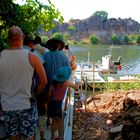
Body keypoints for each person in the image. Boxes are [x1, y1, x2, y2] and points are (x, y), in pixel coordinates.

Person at [0, 26, 47, 140]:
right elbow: (43, 81)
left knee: (13, 136)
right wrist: (34, 93)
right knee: (28, 137)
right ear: (22, 38)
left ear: (8, 39)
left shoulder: (0, 56)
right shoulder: (32, 57)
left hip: (7, 105)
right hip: (27, 105)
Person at [48, 66, 78, 140]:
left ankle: (52, 136)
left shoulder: (52, 85)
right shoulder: (66, 83)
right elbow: (75, 87)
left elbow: (49, 95)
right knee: (60, 122)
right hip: (60, 105)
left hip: (53, 104)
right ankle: (60, 137)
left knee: (54, 122)